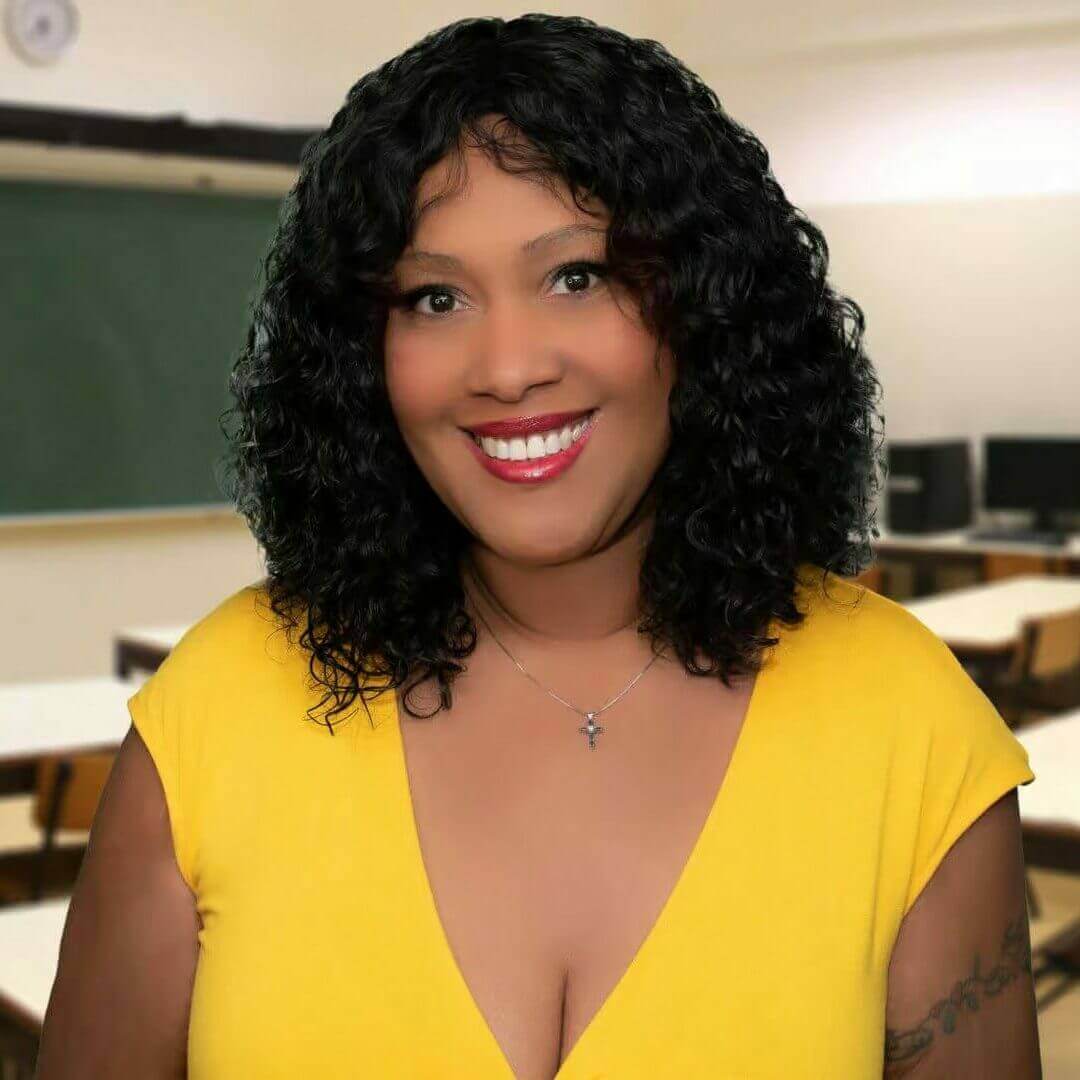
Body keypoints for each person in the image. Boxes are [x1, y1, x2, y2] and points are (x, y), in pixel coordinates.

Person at [36, 14, 1040, 1079]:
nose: (507, 367)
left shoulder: (911, 724)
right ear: (362, 361)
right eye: (434, 297)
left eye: (577, 276)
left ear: (704, 309)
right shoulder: (215, 712)